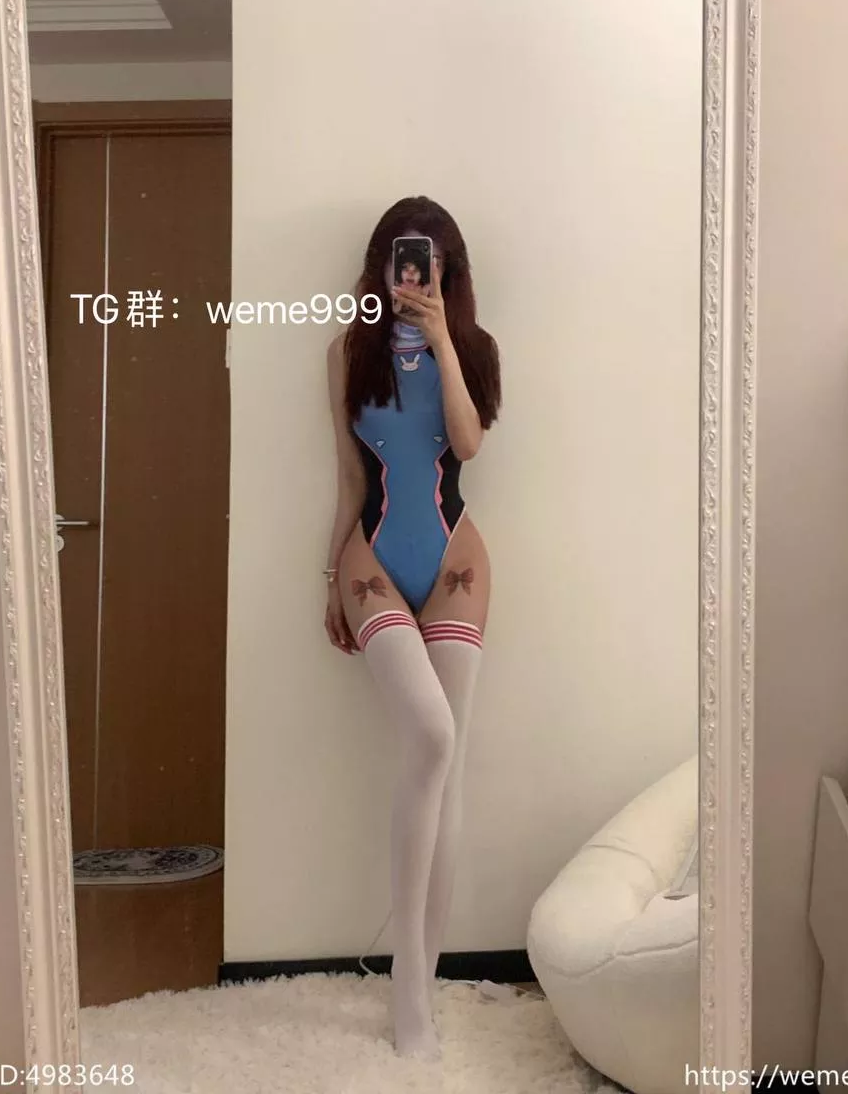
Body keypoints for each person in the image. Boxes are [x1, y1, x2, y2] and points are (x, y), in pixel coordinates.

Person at [323, 195, 501, 1058]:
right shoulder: (346, 352)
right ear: (379, 265)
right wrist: (330, 578)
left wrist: (440, 341)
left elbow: (465, 445)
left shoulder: (474, 349)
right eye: (399, 259)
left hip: (455, 558)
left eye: (428, 262)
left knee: (447, 766)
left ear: (447, 271)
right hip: (372, 557)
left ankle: (419, 985)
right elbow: (351, 481)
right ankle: (405, 988)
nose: (412, 274)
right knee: (430, 736)